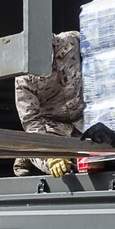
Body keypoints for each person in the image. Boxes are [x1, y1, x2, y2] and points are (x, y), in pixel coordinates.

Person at [14, 29, 84, 178]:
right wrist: (49, 155)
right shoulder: (24, 79)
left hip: (83, 119)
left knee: (99, 157)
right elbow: (31, 120)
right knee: (60, 164)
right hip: (53, 127)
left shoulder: (72, 41)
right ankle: (26, 152)